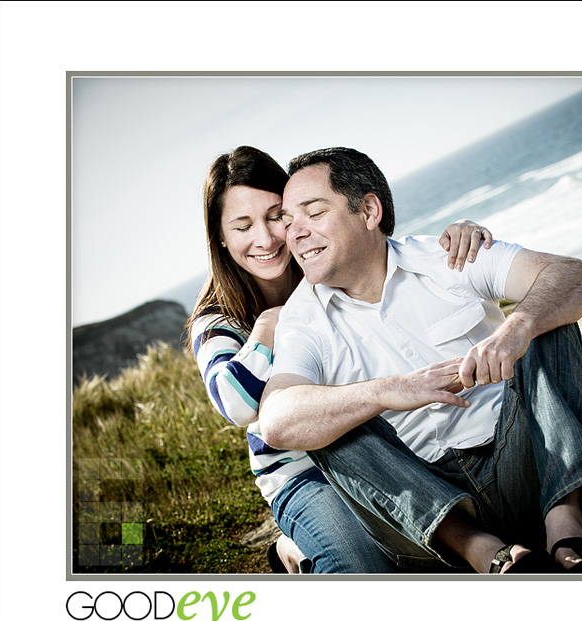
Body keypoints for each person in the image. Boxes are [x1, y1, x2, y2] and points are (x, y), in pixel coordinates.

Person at [260, 147, 582, 574]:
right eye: (287, 219)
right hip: (429, 518)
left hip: (526, 470)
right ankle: (491, 556)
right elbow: (277, 420)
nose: (294, 233)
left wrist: (516, 328)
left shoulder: (448, 256)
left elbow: (574, 274)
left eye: (314, 213)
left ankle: (565, 523)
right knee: (328, 418)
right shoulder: (302, 318)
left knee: (547, 319)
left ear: (369, 210)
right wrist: (387, 392)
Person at [185, 145, 495, 573]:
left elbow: (385, 255)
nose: (267, 238)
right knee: (364, 571)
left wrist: (462, 233)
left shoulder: (324, 265)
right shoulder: (218, 321)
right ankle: (293, 549)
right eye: (242, 226)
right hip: (305, 476)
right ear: (220, 237)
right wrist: (266, 331)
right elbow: (235, 404)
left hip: (386, 452)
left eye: (276, 215)